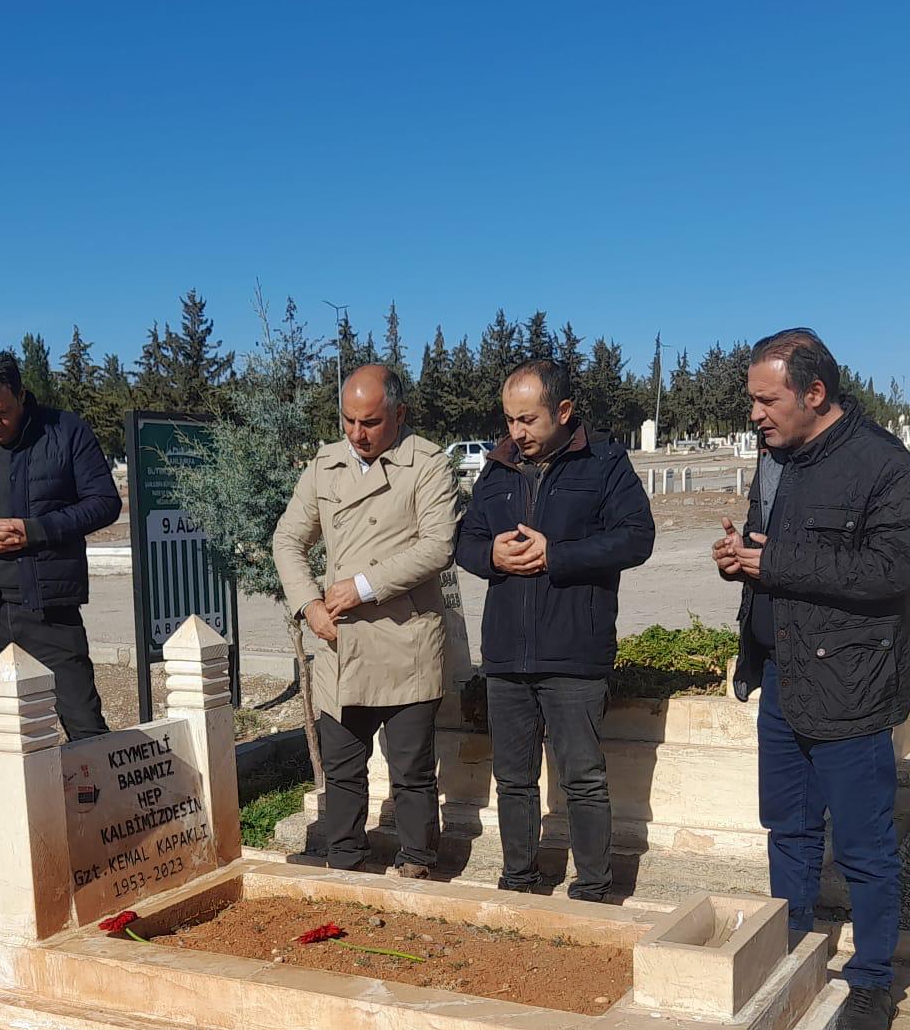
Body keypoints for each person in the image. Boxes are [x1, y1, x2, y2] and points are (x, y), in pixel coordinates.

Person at [714, 328, 910, 1030]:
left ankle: (871, 981)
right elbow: (768, 551)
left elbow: (891, 572)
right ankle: (792, 952)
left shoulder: (883, 466)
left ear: (814, 393)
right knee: (789, 830)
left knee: (864, 846)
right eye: (752, 400)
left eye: (766, 399)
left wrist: (774, 564)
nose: (755, 415)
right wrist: (739, 559)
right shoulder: (774, 458)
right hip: (781, 676)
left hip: (851, 684)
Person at [455, 358, 654, 901]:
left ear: (563, 412)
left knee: (583, 778)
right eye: (509, 420)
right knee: (513, 780)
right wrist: (490, 554)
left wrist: (557, 555)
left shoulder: (606, 463)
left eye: (528, 420)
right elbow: (465, 541)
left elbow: (637, 538)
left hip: (574, 652)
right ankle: (518, 880)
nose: (516, 433)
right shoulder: (496, 469)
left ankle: (594, 889)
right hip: (506, 657)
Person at [272, 365, 457, 878]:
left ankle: (418, 863)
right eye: (348, 421)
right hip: (340, 647)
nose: (357, 433)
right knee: (344, 771)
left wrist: (361, 586)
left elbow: (437, 546)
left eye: (371, 422)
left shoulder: (427, 464)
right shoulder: (325, 465)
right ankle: (345, 864)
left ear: (399, 414)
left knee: (412, 772)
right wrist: (309, 604)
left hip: (405, 643)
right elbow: (288, 540)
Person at [0, 350, 120, 740]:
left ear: (20, 394)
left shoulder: (66, 431)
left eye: (1, 411)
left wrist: (35, 530)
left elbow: (105, 503)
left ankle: (94, 800)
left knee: (83, 722)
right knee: (8, 730)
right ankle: (30, 802)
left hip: (50, 607)